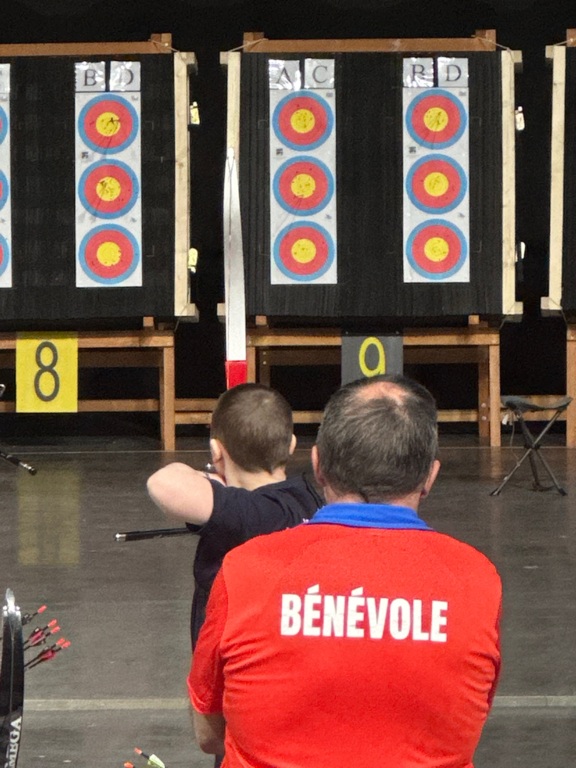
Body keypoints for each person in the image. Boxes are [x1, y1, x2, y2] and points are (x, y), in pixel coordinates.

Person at [188, 374, 502, 767]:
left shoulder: (245, 569)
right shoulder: (476, 580)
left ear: (317, 464)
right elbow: (465, 720)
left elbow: (208, 734)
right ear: (429, 477)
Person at [146, 382, 323, 647]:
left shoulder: (243, 511)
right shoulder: (306, 499)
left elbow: (162, 483)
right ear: (291, 445)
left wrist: (214, 480)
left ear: (216, 451)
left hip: (235, 660)